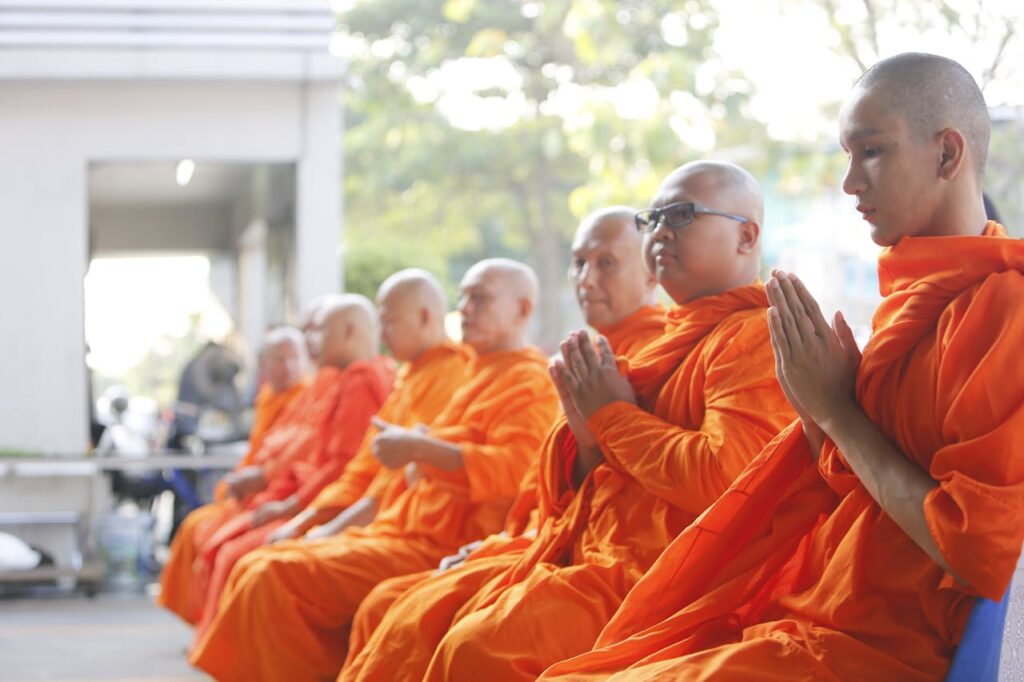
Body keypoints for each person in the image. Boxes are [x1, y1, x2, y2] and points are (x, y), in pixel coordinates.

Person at [540, 52, 1024, 681]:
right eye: (847, 156)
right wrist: (821, 410)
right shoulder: (912, 303)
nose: (850, 182)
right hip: (811, 603)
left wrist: (835, 411)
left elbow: (977, 550)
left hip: (878, 645)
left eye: (870, 151)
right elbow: (856, 485)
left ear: (947, 155)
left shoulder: (1002, 308)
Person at [346, 162, 797, 682]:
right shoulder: (664, 346)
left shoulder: (754, 338)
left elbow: (727, 482)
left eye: (682, 214)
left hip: (668, 578)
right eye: (654, 218)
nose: (663, 230)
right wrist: (591, 439)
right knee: (404, 614)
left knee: (474, 647)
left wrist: (609, 416)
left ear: (747, 236)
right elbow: (600, 483)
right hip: (595, 550)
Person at [189, 259, 561, 682]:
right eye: (463, 297)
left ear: (524, 310)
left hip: (445, 539)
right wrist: (316, 517)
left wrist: (421, 451)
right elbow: (367, 469)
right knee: (258, 563)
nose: (466, 309)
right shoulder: (468, 376)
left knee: (269, 574)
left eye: (480, 298)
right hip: (396, 525)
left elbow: (514, 469)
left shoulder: (522, 380)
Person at [341, 205, 666, 676]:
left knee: (458, 640)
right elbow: (550, 487)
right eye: (578, 263)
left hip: (610, 560)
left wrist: (421, 452)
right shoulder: (576, 359)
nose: (586, 278)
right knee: (390, 607)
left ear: (652, 273)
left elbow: (526, 474)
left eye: (606, 263)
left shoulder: (657, 355)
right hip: (532, 537)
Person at [187, 296, 396, 643]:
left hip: (340, 507)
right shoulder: (337, 382)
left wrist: (293, 510)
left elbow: (343, 468)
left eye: (318, 332)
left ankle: (241, 656)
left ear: (347, 332)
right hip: (315, 497)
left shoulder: (362, 381)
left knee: (242, 559)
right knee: (216, 541)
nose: (311, 343)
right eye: (307, 332)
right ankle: (223, 649)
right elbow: (307, 454)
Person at [264, 268, 473, 544]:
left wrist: (308, 522)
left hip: (407, 530)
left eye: (389, 322)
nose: (381, 334)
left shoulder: (448, 375)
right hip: (353, 511)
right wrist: (306, 520)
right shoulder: (408, 377)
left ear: (424, 317)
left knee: (261, 567)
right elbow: (361, 470)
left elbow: (387, 478)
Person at [158, 326, 308, 623]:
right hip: (259, 494)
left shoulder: (309, 396)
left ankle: (219, 633)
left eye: (292, 358)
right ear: (264, 365)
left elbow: (302, 459)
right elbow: (263, 451)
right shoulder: (266, 397)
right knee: (193, 527)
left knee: (224, 548)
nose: (286, 367)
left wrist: (268, 484)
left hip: (284, 497)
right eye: (278, 359)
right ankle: (203, 623)